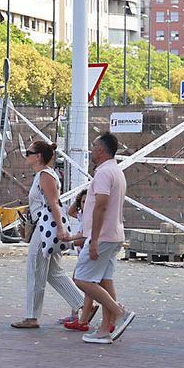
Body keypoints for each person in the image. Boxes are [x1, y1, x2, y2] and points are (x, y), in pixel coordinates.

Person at [11, 140, 84, 331]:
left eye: (29, 152)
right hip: (45, 225)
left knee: (35, 269)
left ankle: (32, 316)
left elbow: (53, 203)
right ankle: (83, 304)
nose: (26, 155)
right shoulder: (41, 175)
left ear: (38, 156)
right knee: (53, 272)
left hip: (46, 226)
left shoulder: (45, 175)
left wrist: (60, 227)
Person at [73, 132, 136, 345]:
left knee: (81, 278)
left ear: (100, 151)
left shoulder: (103, 174)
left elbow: (101, 206)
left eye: (93, 146)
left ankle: (119, 312)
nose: (91, 149)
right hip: (114, 234)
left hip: (103, 236)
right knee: (104, 280)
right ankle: (103, 330)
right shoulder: (116, 171)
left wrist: (94, 239)